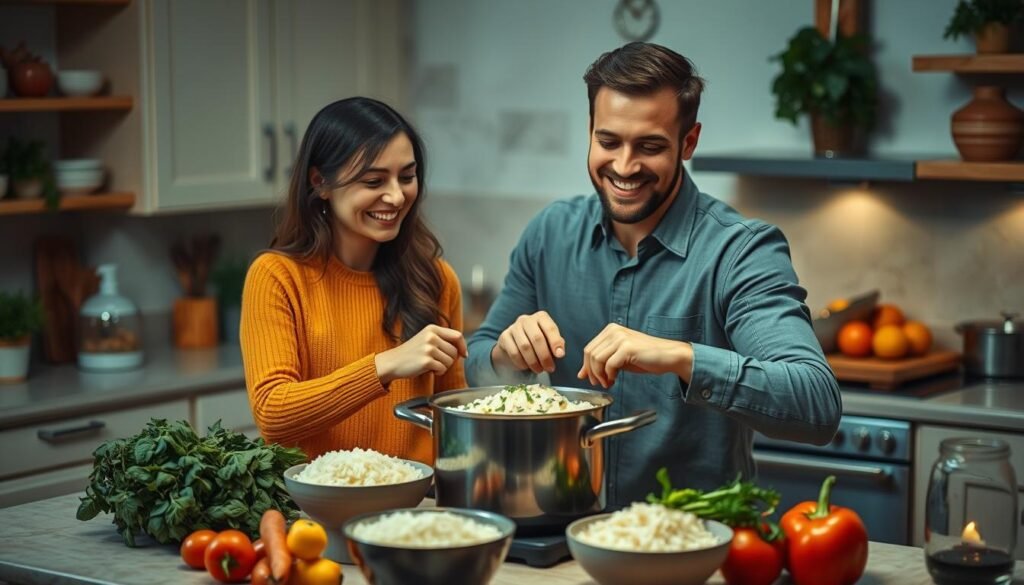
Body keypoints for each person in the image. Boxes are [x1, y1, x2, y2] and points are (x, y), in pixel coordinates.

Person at [465, 43, 841, 506]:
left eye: (650, 146)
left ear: (689, 142)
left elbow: (816, 403)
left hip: (694, 546)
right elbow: (477, 364)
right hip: (563, 535)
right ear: (590, 130)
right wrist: (506, 356)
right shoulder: (550, 234)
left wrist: (682, 356)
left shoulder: (741, 250)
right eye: (608, 142)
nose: (624, 167)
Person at [241, 97, 467, 465]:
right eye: (374, 180)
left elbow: (455, 421)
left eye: (407, 177)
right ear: (320, 182)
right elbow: (273, 414)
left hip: (416, 507)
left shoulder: (437, 279)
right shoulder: (277, 277)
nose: (396, 196)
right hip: (312, 512)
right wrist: (386, 366)